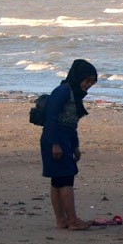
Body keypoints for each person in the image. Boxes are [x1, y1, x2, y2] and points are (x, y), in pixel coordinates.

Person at [40, 58, 98, 231]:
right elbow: (51, 118)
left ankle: (62, 220)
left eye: (92, 82)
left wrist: (75, 146)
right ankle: (72, 220)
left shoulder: (74, 93)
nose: (89, 85)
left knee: (58, 181)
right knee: (65, 180)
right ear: (79, 76)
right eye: (87, 80)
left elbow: (72, 124)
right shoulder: (63, 91)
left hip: (65, 139)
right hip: (55, 139)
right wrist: (55, 144)